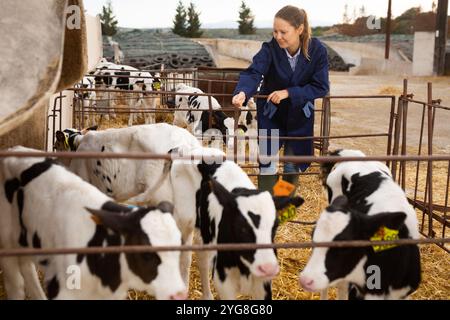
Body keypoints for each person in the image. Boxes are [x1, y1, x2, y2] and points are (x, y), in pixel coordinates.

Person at [232, 5, 329, 213]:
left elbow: (321, 86)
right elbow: (253, 73)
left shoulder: (317, 50)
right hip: (272, 115)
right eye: (274, 31)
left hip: (299, 116)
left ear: (299, 29)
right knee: (267, 162)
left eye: (283, 32)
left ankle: (282, 206)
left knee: (292, 165)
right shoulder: (270, 49)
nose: (277, 36)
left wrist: (289, 92)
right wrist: (243, 92)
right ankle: (265, 209)